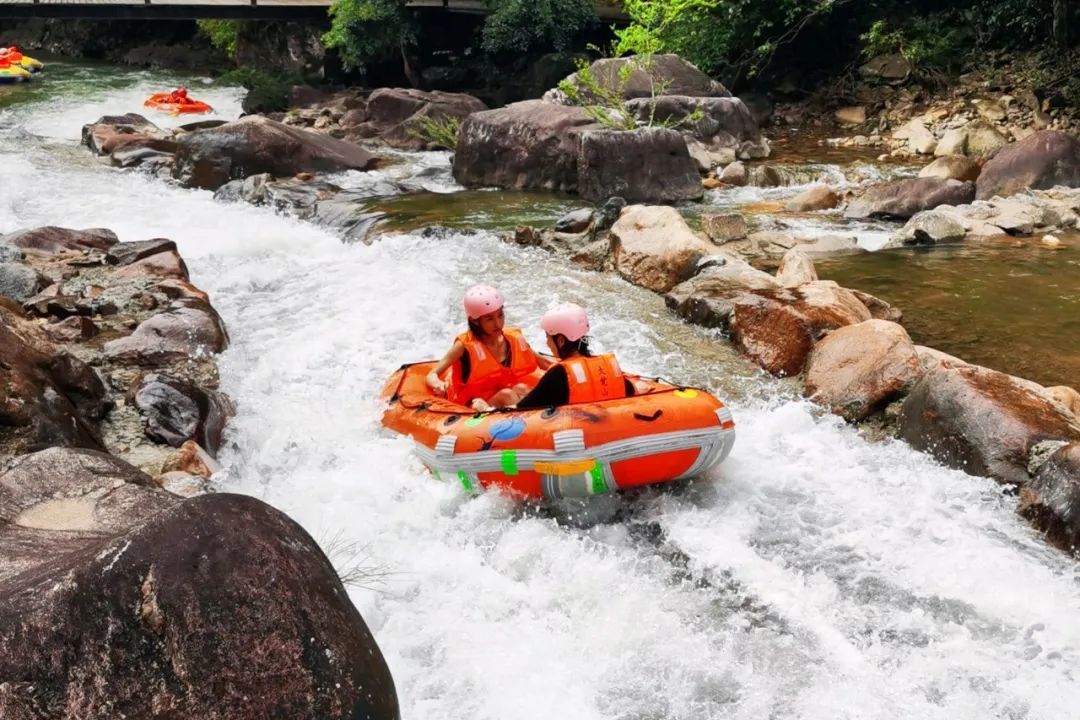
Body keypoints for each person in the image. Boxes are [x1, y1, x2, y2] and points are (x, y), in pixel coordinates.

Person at [427, 285, 551, 412]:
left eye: (500, 315)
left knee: (522, 388)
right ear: (475, 321)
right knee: (507, 395)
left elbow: (544, 363)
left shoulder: (513, 339)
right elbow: (432, 374)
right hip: (472, 403)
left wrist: (567, 368)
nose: (498, 323)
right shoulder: (463, 346)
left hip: (500, 394)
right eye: (489, 319)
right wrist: (438, 384)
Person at [516, 303, 642, 409]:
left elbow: (520, 410)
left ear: (560, 341)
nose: (547, 343)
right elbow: (635, 390)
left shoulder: (558, 375)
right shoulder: (606, 368)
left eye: (548, 338)